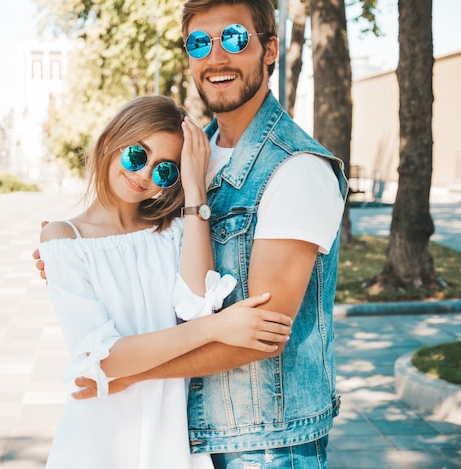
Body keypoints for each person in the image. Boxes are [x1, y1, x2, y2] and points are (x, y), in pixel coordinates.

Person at [34, 1, 349, 467]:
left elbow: (258, 333)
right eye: (201, 42)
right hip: (187, 442)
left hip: (261, 447)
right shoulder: (188, 153)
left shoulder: (296, 168)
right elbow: (147, 247)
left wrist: (124, 374)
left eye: (236, 38)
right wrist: (73, 252)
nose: (217, 56)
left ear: (270, 49)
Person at [38, 95, 293, 469]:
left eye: (164, 170)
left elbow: (194, 302)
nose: (143, 175)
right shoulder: (64, 239)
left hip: (173, 435)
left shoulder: (174, 231)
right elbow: (103, 359)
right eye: (137, 156)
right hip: (100, 438)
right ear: (112, 139)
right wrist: (216, 328)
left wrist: (194, 189)